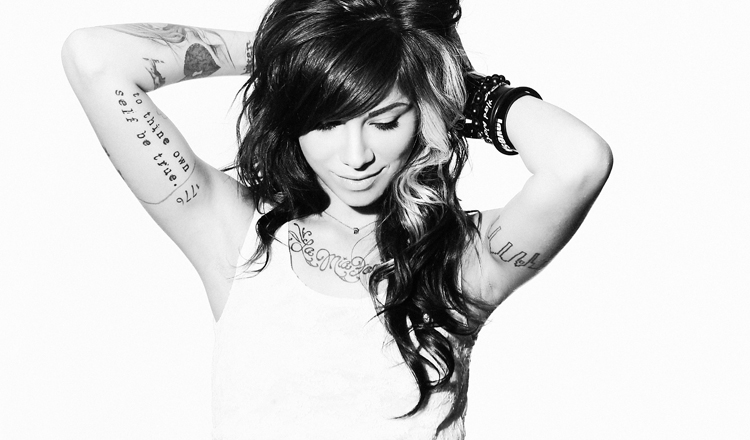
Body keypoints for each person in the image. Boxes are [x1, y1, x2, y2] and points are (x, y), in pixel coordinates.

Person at [62, 0, 612, 438]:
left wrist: (439, 75)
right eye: (326, 122)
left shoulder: (465, 262)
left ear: (422, 114)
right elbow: (95, 58)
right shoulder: (236, 237)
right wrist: (301, 52)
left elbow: (579, 162)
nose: (355, 156)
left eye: (385, 121)